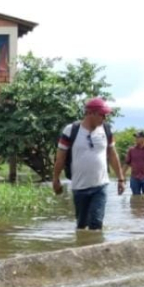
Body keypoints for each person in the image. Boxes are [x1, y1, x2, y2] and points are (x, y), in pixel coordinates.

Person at [51, 97, 125, 230]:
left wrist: (121, 179)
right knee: (81, 226)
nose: (104, 118)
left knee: (96, 224)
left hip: (100, 185)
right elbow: (60, 158)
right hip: (79, 186)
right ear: (91, 113)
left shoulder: (106, 130)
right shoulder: (71, 130)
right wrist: (55, 179)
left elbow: (113, 155)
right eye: (102, 115)